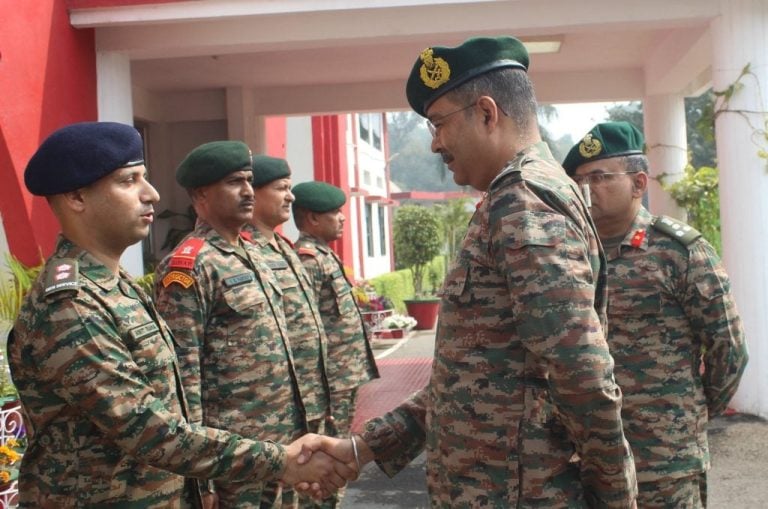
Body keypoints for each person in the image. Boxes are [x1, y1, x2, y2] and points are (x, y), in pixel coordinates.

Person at [304, 35, 639, 508]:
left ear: (486, 113)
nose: (435, 143)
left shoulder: (522, 199)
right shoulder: (514, 196)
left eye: (439, 123)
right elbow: (472, 374)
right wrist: (362, 448)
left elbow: (580, 371)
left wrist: (615, 497)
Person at [8, 122, 355, 508]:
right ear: (76, 197)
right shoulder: (71, 306)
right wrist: (281, 461)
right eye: (129, 181)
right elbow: (149, 430)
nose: (151, 193)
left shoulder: (114, 285)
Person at [562, 121, 749, 508]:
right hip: (588, 460)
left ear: (639, 183)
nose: (588, 189)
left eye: (600, 177)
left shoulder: (679, 252)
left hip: (664, 460)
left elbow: (727, 349)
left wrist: (687, 414)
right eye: (580, 180)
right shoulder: (569, 256)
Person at [153, 141, 311, 508]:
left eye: (248, 180)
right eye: (232, 182)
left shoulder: (254, 253)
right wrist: (199, 474)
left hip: (281, 443)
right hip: (231, 454)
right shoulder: (189, 265)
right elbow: (182, 374)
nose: (246, 192)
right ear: (200, 193)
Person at [292, 181, 379, 508]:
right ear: (312, 219)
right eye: (334, 213)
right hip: (328, 381)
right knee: (325, 455)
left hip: (341, 378)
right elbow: (305, 326)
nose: (342, 219)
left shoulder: (324, 255)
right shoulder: (309, 260)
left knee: (337, 449)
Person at [243, 155, 331, 440]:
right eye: (281, 188)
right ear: (252, 194)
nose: (290, 197)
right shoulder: (245, 252)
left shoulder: (283, 246)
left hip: (308, 396)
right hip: (270, 408)